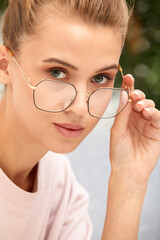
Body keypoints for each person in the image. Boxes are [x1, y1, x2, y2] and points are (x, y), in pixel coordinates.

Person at [0, 0, 159, 239]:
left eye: (100, 78)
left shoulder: (60, 186)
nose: (79, 108)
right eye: (57, 72)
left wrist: (129, 181)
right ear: (4, 66)